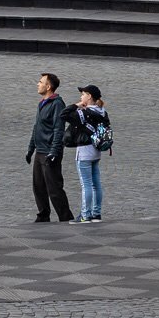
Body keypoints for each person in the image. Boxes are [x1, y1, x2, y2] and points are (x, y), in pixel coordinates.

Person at [25, 72, 73, 223]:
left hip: (49, 152)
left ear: (49, 86)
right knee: (38, 186)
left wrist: (54, 151)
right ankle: (43, 215)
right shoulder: (42, 103)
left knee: (54, 188)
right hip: (40, 151)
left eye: (40, 82)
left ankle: (65, 217)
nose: (38, 84)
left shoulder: (57, 104)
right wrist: (31, 149)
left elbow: (59, 129)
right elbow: (37, 126)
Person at [66, 84, 109, 223]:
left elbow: (64, 114)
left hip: (84, 152)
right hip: (96, 151)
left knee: (86, 185)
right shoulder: (102, 111)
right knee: (96, 184)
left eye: (83, 94)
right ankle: (96, 214)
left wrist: (77, 105)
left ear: (89, 96)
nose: (81, 96)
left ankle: (85, 215)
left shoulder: (84, 113)